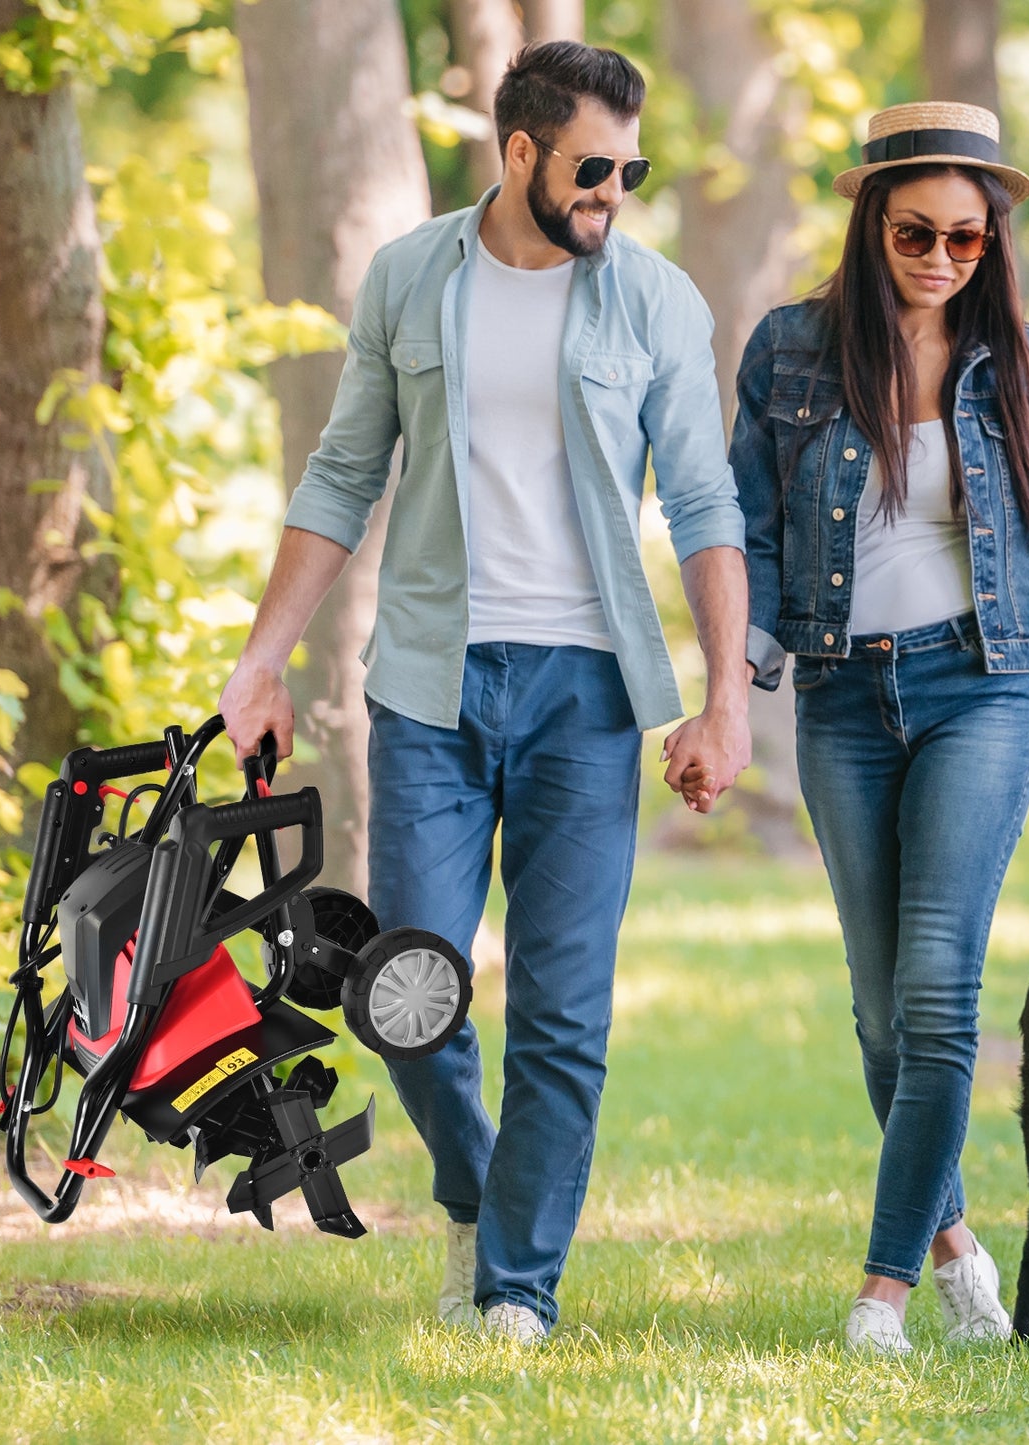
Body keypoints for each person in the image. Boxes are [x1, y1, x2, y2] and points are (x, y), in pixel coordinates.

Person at [219, 40, 754, 1342]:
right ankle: (476, 1193)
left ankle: (516, 1287)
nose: (610, 191)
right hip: (428, 694)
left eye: (628, 169)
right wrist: (263, 652)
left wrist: (726, 696)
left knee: (564, 1014)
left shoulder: (654, 301)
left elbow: (701, 502)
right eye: (588, 167)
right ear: (518, 153)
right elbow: (342, 474)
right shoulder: (411, 278)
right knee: (406, 990)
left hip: (585, 700)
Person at [730, 101, 1029, 1353]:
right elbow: (741, 528)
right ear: (868, 222)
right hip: (840, 696)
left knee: (941, 1001)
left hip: (978, 688)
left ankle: (878, 1294)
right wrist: (729, 689)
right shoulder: (788, 351)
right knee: (883, 1015)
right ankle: (952, 1248)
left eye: (965, 237)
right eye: (915, 233)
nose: (941, 258)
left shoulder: (1022, 364)